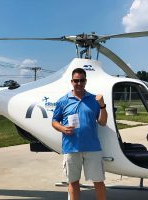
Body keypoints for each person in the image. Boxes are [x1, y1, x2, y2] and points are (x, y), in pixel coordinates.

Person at [52, 68, 108, 200]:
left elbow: (103, 122)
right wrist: (63, 128)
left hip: (92, 148)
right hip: (71, 148)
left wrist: (102, 106)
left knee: (99, 182)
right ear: (71, 81)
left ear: (85, 81)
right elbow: (54, 121)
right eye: (76, 80)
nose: (79, 83)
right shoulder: (63, 101)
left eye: (82, 80)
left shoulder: (94, 100)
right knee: (73, 182)